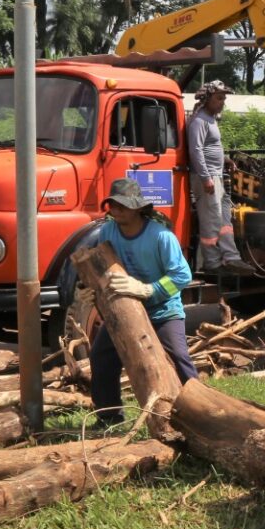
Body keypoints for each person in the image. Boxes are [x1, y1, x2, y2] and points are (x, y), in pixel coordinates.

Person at [89, 178, 198, 427]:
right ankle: (109, 417)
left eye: (122, 205)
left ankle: (199, 412)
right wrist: (92, 287)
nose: (116, 210)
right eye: (113, 205)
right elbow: (101, 264)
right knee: (101, 356)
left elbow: (182, 276)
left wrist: (149, 289)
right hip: (126, 311)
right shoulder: (107, 232)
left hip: (163, 310)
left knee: (178, 357)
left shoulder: (161, 237)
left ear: (137, 207)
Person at [185, 79, 252, 275]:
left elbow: (211, 147)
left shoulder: (211, 119)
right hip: (207, 177)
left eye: (224, 98)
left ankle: (231, 257)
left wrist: (225, 160)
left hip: (217, 175)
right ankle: (213, 263)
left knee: (224, 218)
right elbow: (196, 150)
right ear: (207, 99)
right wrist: (205, 177)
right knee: (211, 220)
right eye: (219, 98)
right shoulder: (199, 120)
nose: (222, 102)